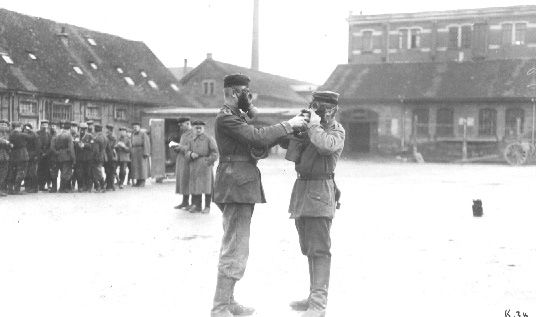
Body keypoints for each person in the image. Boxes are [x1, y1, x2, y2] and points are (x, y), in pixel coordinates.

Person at [210, 74, 307, 317]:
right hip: (235, 185)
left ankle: (228, 301)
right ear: (233, 92)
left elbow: (258, 141)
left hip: (239, 183)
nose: (249, 96)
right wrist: (289, 124)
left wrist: (292, 127)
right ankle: (220, 306)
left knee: (235, 242)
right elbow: (257, 136)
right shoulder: (226, 117)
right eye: (245, 91)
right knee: (235, 245)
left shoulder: (236, 117)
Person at [281, 91, 345, 317]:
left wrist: (313, 126)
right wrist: (294, 126)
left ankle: (319, 303)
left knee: (319, 250)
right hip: (302, 191)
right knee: (309, 248)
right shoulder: (310, 127)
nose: (320, 111)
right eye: (316, 106)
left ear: (334, 110)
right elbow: (286, 147)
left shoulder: (335, 131)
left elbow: (326, 147)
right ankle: (312, 296)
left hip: (320, 192)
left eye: (326, 107)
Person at [184, 120, 218, 213]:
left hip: (205, 165)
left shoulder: (209, 139)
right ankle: (197, 206)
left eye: (200, 128)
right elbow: (186, 152)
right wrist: (191, 155)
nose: (198, 130)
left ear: (203, 129)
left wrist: (208, 161)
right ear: (193, 129)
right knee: (196, 186)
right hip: (194, 165)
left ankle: (207, 206)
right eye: (196, 128)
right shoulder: (191, 140)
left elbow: (215, 152)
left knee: (207, 187)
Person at [171, 117, 193, 209]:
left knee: (188, 180)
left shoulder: (193, 133)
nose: (180, 127)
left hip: (188, 160)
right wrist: (177, 147)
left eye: (181, 125)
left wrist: (180, 147)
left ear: (188, 123)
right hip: (182, 159)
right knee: (183, 180)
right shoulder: (184, 134)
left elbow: (193, 146)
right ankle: (184, 202)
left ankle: (192, 203)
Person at [7, 121, 29, 195]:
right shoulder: (22, 135)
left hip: (13, 156)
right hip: (22, 155)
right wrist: (29, 130)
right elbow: (33, 136)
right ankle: (17, 189)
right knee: (21, 172)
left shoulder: (10, 135)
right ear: (19, 127)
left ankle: (10, 189)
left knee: (13, 172)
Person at [54, 121, 76, 193]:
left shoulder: (58, 135)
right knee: (66, 172)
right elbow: (71, 148)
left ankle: (63, 188)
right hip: (67, 156)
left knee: (62, 171)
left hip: (59, 156)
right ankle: (63, 188)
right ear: (69, 128)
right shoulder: (68, 136)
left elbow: (55, 146)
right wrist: (74, 159)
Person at [130, 122, 150, 187]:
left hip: (141, 151)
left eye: (136, 127)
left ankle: (142, 181)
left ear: (139, 127)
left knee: (142, 167)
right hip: (135, 152)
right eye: (133, 127)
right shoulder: (132, 134)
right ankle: (138, 181)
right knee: (136, 167)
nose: (134, 128)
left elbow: (146, 143)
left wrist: (146, 152)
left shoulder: (143, 134)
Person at [23, 123, 41, 193]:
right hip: (26, 156)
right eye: (24, 129)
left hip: (32, 156)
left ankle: (34, 187)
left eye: (27, 129)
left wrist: (36, 156)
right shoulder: (24, 136)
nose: (25, 130)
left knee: (32, 172)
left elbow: (38, 147)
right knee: (26, 172)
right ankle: (27, 187)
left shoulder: (35, 136)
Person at [90, 123, 107, 193]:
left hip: (97, 157)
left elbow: (95, 150)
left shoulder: (97, 138)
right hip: (102, 156)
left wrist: (93, 157)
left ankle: (102, 187)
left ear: (96, 129)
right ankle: (101, 187)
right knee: (99, 171)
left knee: (97, 172)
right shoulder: (104, 137)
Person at [76, 123, 93, 192]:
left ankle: (88, 187)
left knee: (88, 172)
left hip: (87, 158)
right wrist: (77, 144)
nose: (82, 131)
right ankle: (80, 187)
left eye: (84, 129)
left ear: (86, 129)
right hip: (80, 158)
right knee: (80, 173)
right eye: (81, 129)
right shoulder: (77, 136)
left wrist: (84, 145)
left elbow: (92, 146)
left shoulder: (90, 136)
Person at [37, 120, 52, 191]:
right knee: (40, 171)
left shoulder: (49, 134)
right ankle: (40, 185)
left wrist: (46, 153)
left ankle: (43, 185)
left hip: (47, 156)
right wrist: (41, 152)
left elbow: (50, 145)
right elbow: (36, 145)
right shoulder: (37, 133)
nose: (45, 126)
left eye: (46, 125)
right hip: (39, 155)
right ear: (41, 125)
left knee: (46, 171)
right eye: (43, 125)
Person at [48, 121, 60, 193]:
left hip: (54, 157)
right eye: (52, 126)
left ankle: (54, 188)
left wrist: (57, 153)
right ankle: (55, 187)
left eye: (54, 126)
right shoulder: (52, 135)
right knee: (54, 172)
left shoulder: (54, 136)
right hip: (55, 156)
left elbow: (52, 148)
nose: (53, 128)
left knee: (54, 172)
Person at [104, 124, 118, 190]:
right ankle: (109, 185)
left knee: (111, 171)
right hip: (108, 155)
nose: (107, 131)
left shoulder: (113, 138)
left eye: (108, 130)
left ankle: (111, 185)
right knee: (107, 171)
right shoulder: (107, 137)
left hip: (111, 156)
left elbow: (111, 147)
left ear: (111, 131)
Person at [0, 119, 11, 197]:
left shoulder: (8, 134)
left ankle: (1, 189)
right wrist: (6, 142)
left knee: (3, 174)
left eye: (5, 125)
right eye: (1, 124)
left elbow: (11, 143)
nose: (3, 126)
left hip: (6, 156)